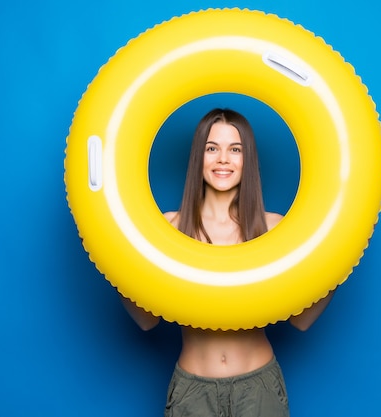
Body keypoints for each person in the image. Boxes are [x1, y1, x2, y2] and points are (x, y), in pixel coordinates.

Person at [120, 108, 335, 417]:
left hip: (259, 388)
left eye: (235, 149)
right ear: (199, 157)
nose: (223, 159)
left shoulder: (274, 229)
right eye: (212, 148)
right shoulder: (171, 228)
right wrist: (108, 256)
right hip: (193, 392)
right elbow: (146, 319)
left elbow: (302, 320)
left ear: (247, 160)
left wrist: (344, 259)